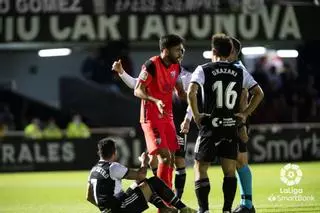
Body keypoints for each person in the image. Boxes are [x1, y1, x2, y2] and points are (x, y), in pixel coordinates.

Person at [187, 34, 264, 213]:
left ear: (213, 51)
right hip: (230, 126)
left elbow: (191, 92)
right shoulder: (239, 70)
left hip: (210, 127)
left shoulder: (203, 69)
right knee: (230, 171)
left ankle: (204, 210)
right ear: (231, 52)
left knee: (200, 167)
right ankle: (227, 210)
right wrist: (244, 116)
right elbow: (258, 93)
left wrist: (197, 115)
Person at [112, 57, 191, 199]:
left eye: (180, 53)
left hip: (176, 120)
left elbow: (191, 98)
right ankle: (165, 192)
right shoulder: (157, 72)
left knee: (178, 160)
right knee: (157, 156)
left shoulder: (185, 76)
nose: (178, 56)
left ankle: (175, 197)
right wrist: (122, 72)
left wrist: (188, 118)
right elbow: (136, 84)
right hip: (157, 119)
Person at [86, 137, 197, 213]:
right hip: (121, 209)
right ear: (114, 152)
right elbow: (141, 175)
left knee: (139, 184)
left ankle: (164, 209)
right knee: (153, 181)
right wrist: (144, 162)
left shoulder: (93, 170)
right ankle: (183, 209)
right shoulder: (112, 167)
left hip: (114, 207)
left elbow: (89, 197)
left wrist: (106, 210)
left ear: (100, 153)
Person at [134, 34, 187, 189]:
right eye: (177, 50)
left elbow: (180, 92)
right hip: (151, 117)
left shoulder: (176, 67)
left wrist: (196, 101)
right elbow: (138, 90)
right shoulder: (151, 65)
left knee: (170, 159)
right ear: (165, 50)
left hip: (167, 118)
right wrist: (155, 101)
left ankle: (168, 198)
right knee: (164, 157)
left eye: (181, 49)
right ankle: (164, 204)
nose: (180, 53)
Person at [228, 37, 256, 213]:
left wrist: (242, 122)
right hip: (236, 121)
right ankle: (246, 203)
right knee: (238, 161)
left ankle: (247, 205)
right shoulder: (233, 68)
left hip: (238, 122)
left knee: (240, 160)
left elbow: (245, 94)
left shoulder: (238, 69)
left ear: (233, 51)